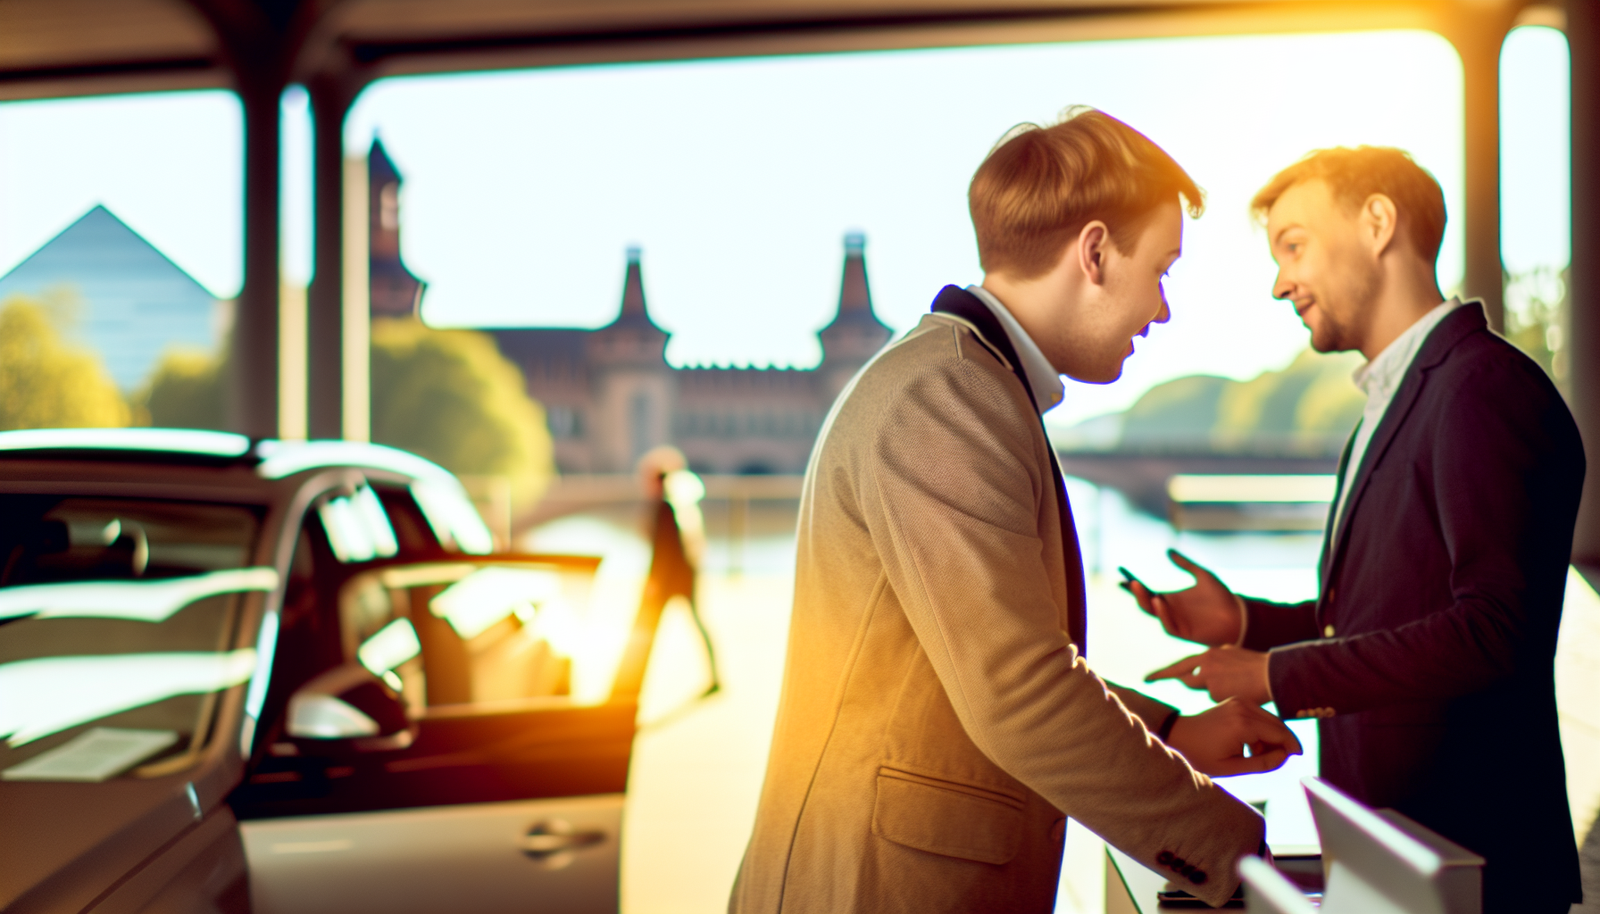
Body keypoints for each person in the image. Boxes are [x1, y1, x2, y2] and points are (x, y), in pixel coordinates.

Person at [729, 108, 1302, 914]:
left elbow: (974, 663)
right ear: (1095, 253)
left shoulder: (960, 383)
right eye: (1162, 269)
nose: (1165, 308)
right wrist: (1231, 849)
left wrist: (1168, 734)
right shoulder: (947, 399)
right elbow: (1020, 690)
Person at [1133, 146, 1586, 913]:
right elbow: (1391, 617)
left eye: (1295, 246)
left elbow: (1492, 631)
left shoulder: (1480, 388)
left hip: (1471, 862)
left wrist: (1272, 677)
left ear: (1378, 223)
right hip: (1395, 850)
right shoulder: (1395, 401)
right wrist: (1248, 624)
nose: (1280, 282)